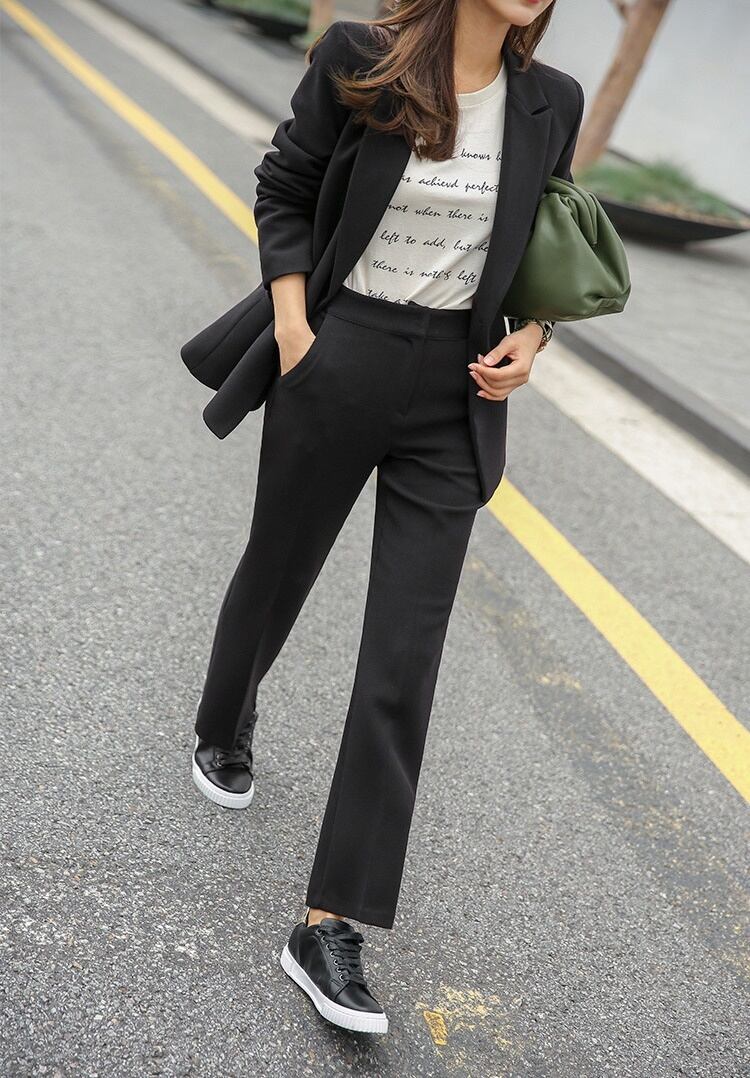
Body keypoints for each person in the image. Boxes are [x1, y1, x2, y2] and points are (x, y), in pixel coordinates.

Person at [189, 0, 583, 1034]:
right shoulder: (360, 57)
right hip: (341, 347)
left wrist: (535, 336)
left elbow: (542, 239)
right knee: (279, 565)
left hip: (457, 391)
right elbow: (286, 186)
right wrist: (295, 330)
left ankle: (331, 923)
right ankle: (224, 717)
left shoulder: (551, 101)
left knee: (405, 654)